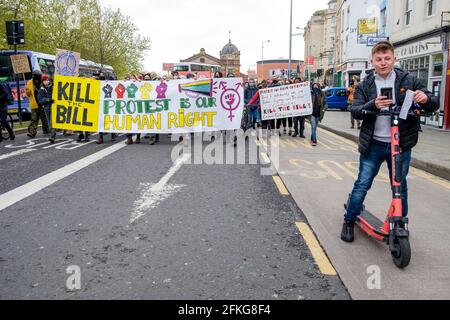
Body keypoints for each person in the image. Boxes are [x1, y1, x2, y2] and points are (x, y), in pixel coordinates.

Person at [340, 41, 439, 243]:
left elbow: (433, 103)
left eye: (387, 58)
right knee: (363, 183)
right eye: (379, 59)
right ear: (372, 62)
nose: (383, 63)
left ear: (394, 59)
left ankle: (400, 224)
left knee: (400, 187)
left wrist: (425, 99)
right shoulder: (365, 85)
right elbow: (355, 111)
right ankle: (349, 221)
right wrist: (373, 105)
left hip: (401, 144)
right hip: (374, 144)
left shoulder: (409, 80)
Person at [26, 70, 49, 138]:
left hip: (42, 103)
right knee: (34, 119)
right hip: (34, 104)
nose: (39, 77)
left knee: (44, 118)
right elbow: (28, 94)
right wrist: (28, 90)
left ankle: (46, 130)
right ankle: (32, 132)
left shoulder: (43, 81)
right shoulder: (29, 82)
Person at [37, 74, 57, 144]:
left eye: (47, 80)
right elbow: (40, 100)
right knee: (49, 123)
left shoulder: (53, 87)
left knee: (52, 122)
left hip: (54, 107)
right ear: (42, 82)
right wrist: (48, 99)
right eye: (44, 80)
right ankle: (53, 134)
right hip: (46, 108)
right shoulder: (41, 90)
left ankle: (52, 136)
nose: (46, 81)